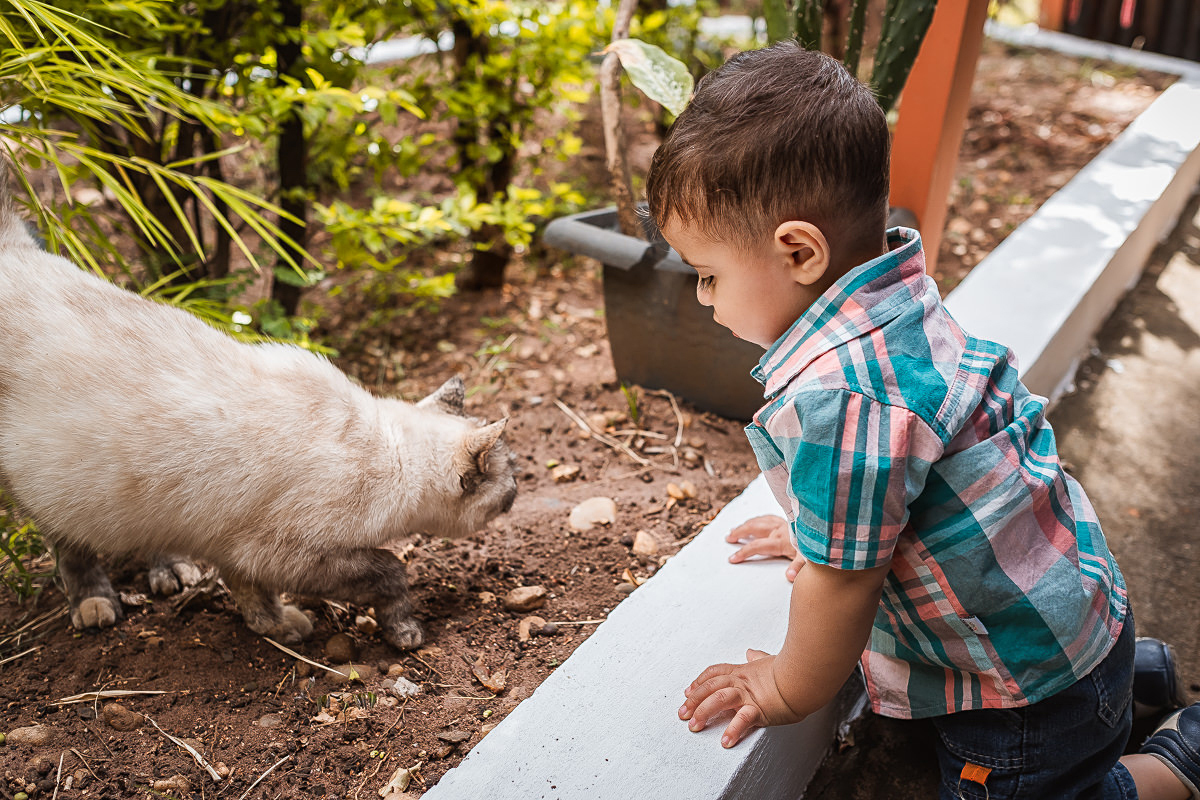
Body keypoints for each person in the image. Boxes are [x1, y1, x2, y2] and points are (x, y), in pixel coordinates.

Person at [645, 40, 1200, 800]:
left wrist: (783, 687)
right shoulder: (897, 300)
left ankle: (1175, 765)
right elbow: (895, 490)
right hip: (1079, 614)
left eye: (709, 275)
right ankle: (1137, 680)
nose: (705, 299)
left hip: (1025, 702)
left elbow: (843, 584)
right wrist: (822, 523)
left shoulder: (841, 396)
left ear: (799, 251)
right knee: (1089, 701)